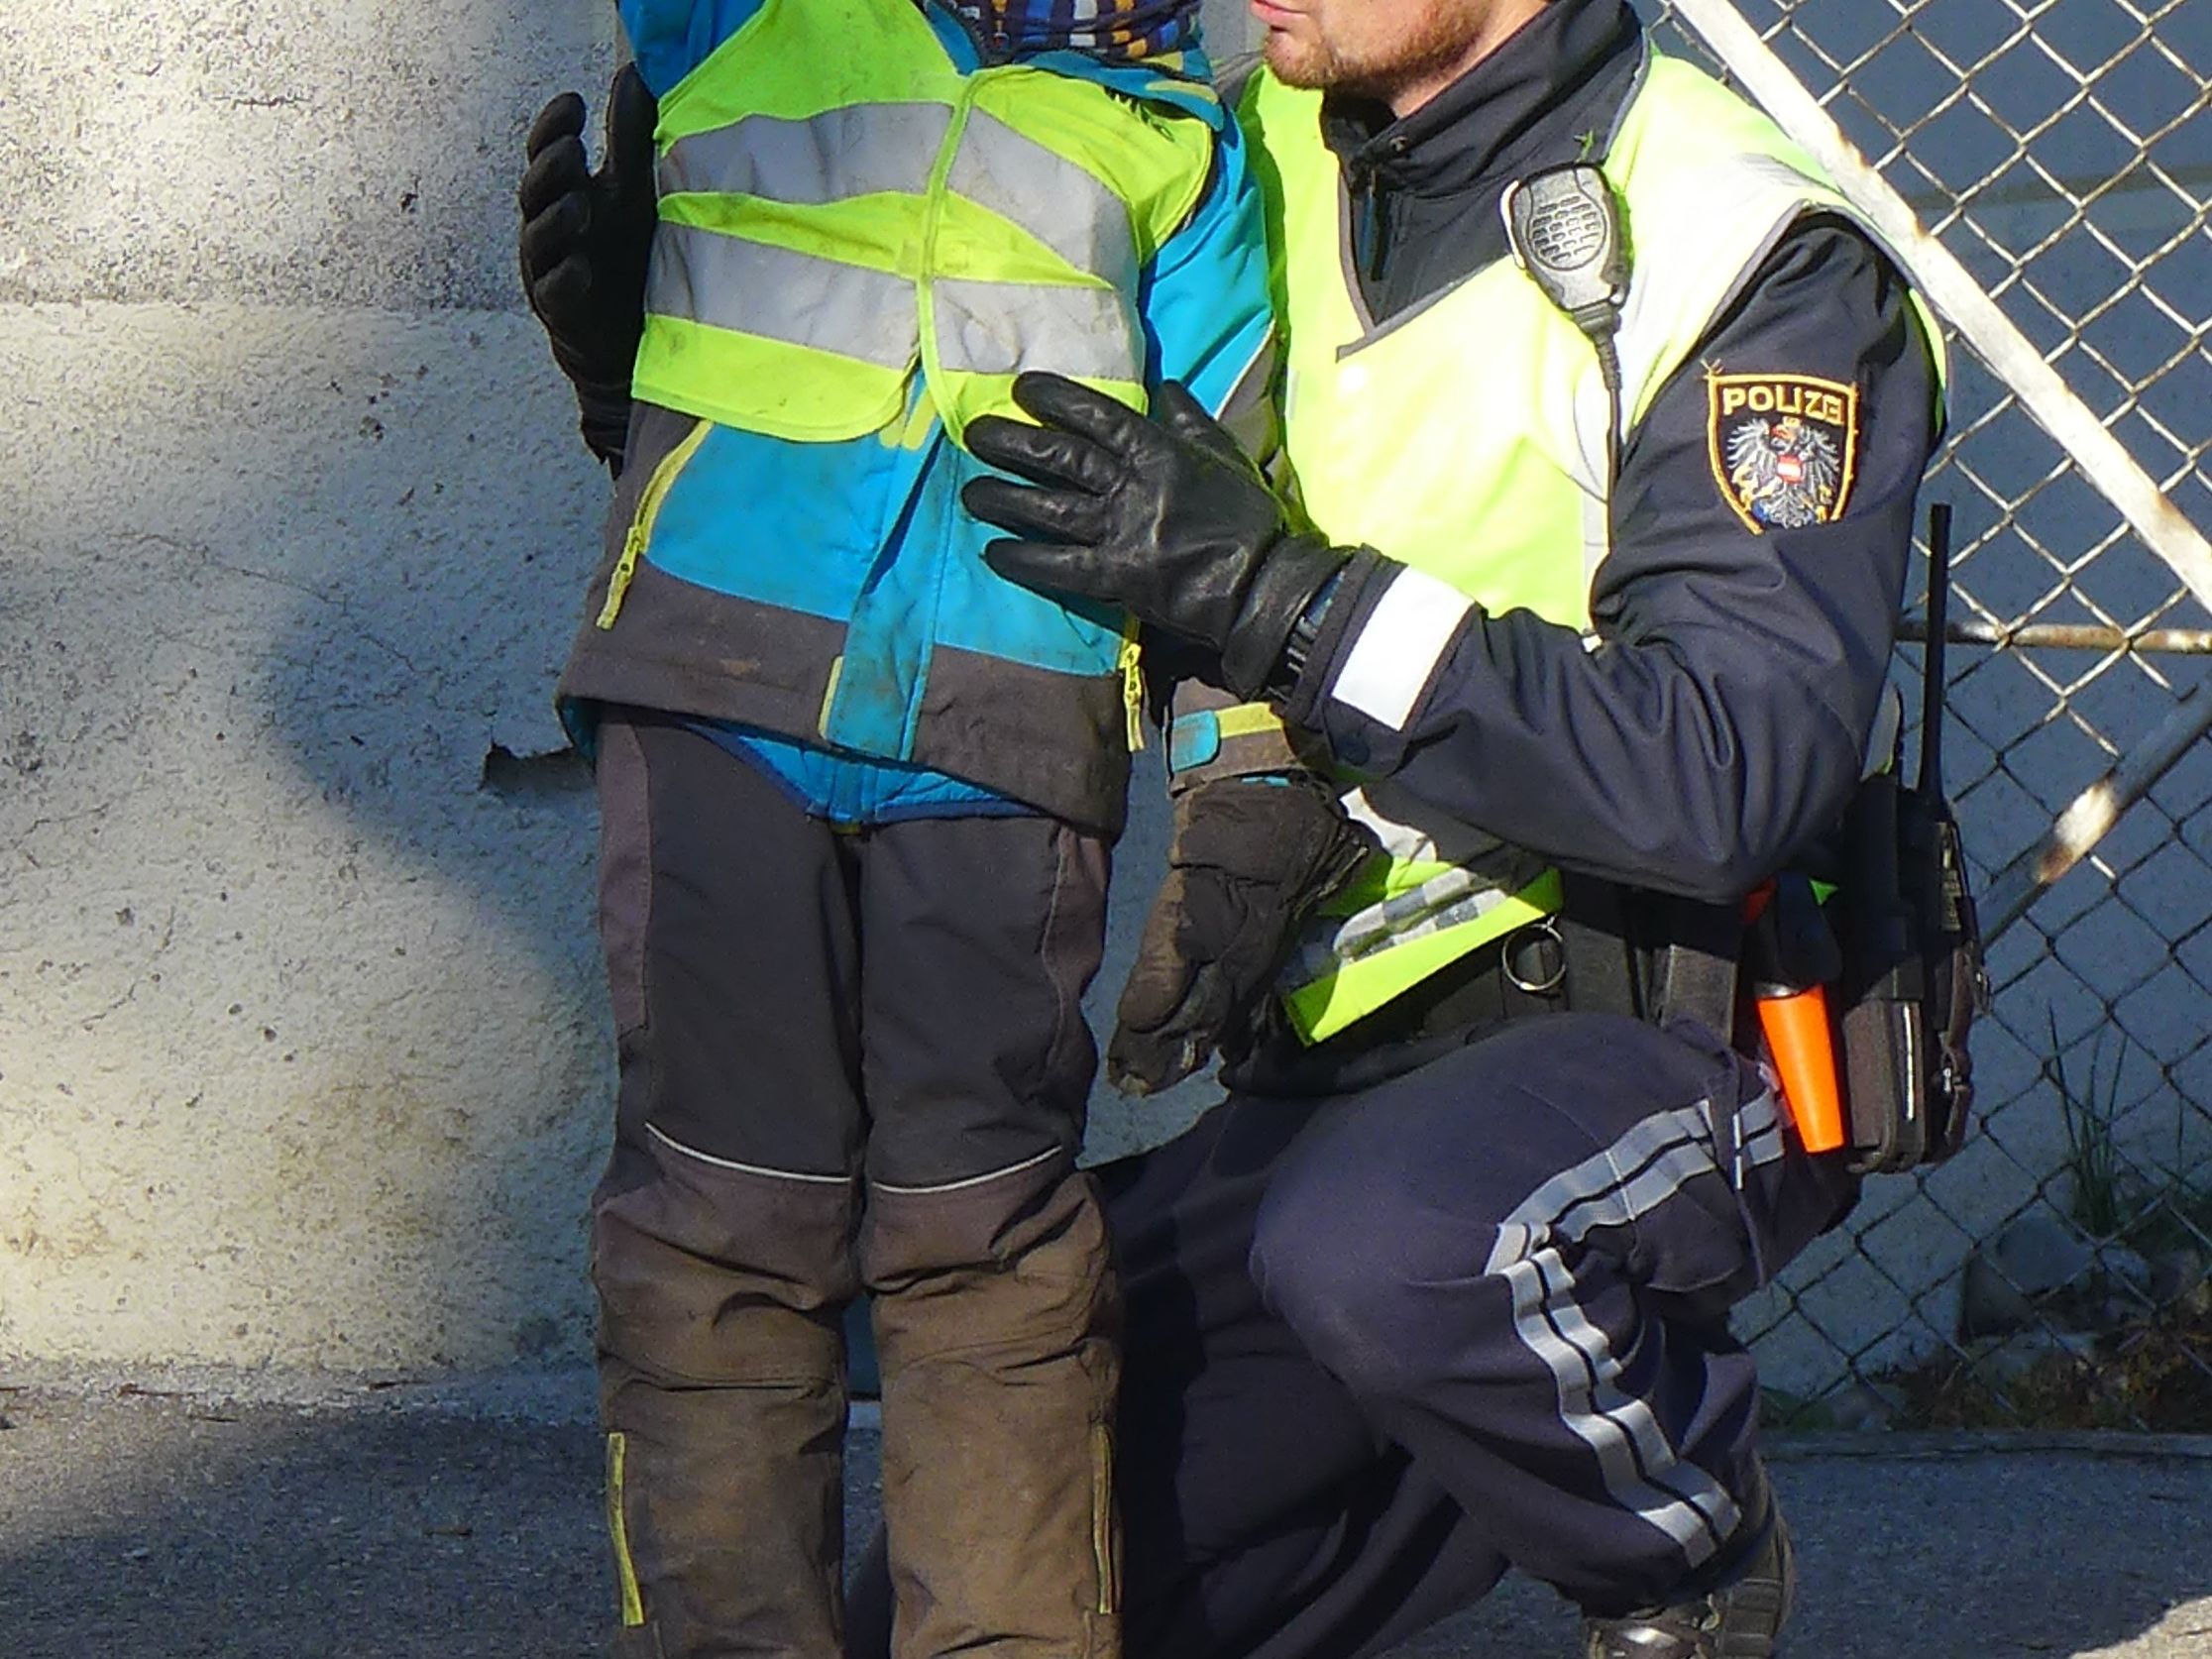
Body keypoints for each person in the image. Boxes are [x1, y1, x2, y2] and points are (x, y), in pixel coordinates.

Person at [528, 0, 1946, 1652]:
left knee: (1401, 1249)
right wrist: (651, 370)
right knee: (1011, 1525)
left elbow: (1724, 775)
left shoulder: (1739, 237)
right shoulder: (1222, 148)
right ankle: (1438, 1453)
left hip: (1670, 1021)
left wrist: (1289, 605)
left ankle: (1686, 1560)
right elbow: (943, 490)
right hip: (1343, 1071)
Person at [513, 1, 1272, 1653]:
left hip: (1004, 732)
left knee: (986, 1245)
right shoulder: (746, 19)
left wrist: (1245, 783)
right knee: (719, 1223)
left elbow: (1230, 489)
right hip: (719, 684)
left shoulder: (1188, 139)